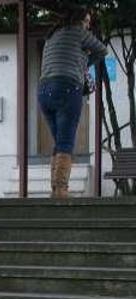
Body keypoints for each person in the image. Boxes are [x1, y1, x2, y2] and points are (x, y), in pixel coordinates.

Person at [38, 7, 107, 198]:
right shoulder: (79, 32)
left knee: (60, 141)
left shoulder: (51, 36)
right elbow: (102, 50)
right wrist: (85, 60)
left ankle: (55, 189)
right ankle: (60, 190)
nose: (87, 25)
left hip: (43, 91)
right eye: (86, 21)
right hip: (67, 87)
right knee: (66, 142)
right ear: (77, 20)